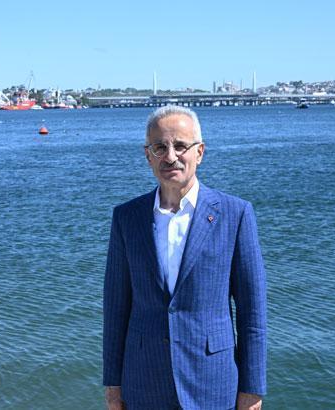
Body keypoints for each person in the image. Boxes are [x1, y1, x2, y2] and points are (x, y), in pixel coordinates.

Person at [103, 106, 267, 410]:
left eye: (180, 146)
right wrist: (113, 387)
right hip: (143, 382)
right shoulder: (127, 218)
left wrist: (252, 389)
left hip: (213, 382)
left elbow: (252, 312)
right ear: (148, 155)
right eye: (160, 147)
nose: (170, 156)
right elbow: (115, 309)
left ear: (199, 152)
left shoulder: (235, 214)